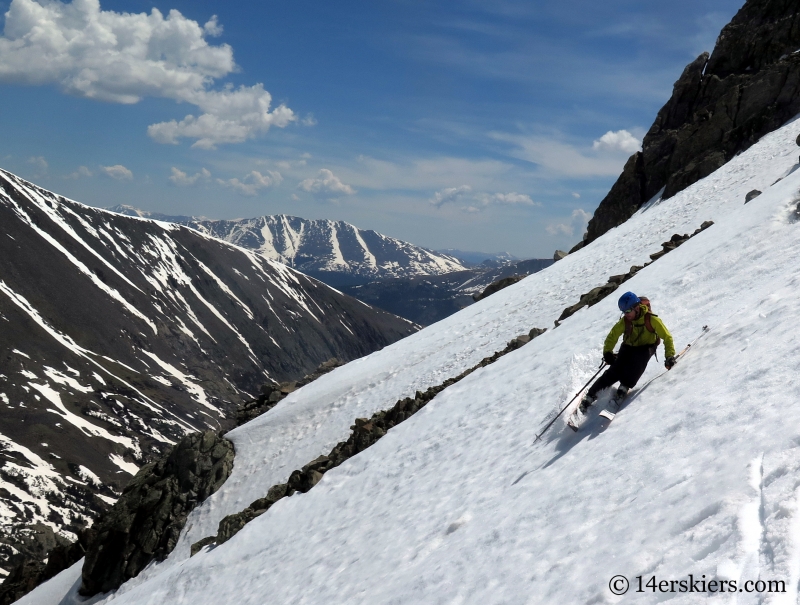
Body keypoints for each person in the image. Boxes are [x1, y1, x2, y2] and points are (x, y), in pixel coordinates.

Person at [579, 291, 676, 413]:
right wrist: (607, 353)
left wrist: (669, 356)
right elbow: (612, 336)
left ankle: (624, 387)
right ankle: (590, 395)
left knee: (639, 362)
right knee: (615, 370)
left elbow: (667, 337)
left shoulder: (651, 319)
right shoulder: (626, 321)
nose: (626, 314)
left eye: (628, 311)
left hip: (647, 347)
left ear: (636, 308)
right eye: (624, 312)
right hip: (628, 347)